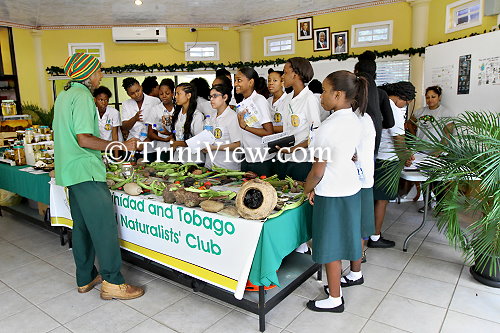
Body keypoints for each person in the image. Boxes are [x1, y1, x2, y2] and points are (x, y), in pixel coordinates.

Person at [53, 53, 144, 300]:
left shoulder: (64, 95)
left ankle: (85, 277)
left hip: (69, 171)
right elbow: (84, 139)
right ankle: (113, 283)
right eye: (98, 70)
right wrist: (121, 146)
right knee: (104, 228)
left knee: (81, 228)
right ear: (88, 73)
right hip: (86, 171)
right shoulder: (83, 96)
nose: (101, 75)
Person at [303, 70, 367, 313]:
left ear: (338, 95)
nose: (321, 96)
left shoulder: (327, 127)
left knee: (329, 245)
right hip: (350, 187)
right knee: (345, 238)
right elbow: (351, 155)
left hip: (331, 192)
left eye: (325, 91)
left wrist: (306, 189)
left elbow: (317, 171)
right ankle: (338, 283)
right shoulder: (355, 119)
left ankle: (335, 299)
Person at [370, 81, 416, 248]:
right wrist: (407, 157)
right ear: (402, 98)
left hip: (374, 158)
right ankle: (375, 237)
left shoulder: (378, 103)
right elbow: (398, 141)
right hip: (387, 161)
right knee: (382, 201)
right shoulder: (394, 110)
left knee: (372, 199)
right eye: (406, 103)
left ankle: (367, 232)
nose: (405, 106)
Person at [276, 57, 321, 181]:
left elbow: (315, 134)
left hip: (302, 160)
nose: (282, 77)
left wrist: (293, 149)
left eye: (285, 73)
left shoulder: (309, 99)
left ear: (295, 74)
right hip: (286, 158)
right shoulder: (287, 98)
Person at [411, 85, 454, 213]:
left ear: (439, 97)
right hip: (421, 151)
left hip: (437, 152)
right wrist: (414, 137)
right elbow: (409, 124)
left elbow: (448, 134)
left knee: (437, 181)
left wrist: (439, 151)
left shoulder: (445, 112)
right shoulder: (420, 111)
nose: (430, 100)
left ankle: (441, 206)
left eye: (433, 97)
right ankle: (427, 204)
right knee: (424, 180)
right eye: (427, 97)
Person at [234, 67, 275, 176]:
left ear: (251, 82)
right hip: (248, 157)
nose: (235, 84)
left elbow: (268, 131)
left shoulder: (259, 100)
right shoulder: (243, 103)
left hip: (261, 159)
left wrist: (245, 127)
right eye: (235, 80)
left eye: (239, 80)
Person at [354, 51, 395, 155]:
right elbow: (390, 122)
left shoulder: (351, 91)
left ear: (356, 71)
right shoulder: (381, 93)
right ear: (375, 75)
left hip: (353, 144)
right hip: (374, 142)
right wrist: (375, 124)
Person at [204, 84, 242, 170]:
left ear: (225, 97)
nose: (211, 100)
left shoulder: (232, 117)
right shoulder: (211, 117)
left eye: (215, 96)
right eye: (210, 97)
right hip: (210, 166)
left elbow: (237, 145)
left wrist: (214, 148)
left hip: (227, 168)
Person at [121, 77, 160, 158]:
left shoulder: (155, 101)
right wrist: (134, 119)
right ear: (128, 94)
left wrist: (145, 142)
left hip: (150, 146)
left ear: (141, 87)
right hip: (132, 145)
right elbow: (125, 127)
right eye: (132, 93)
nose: (136, 95)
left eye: (138, 90)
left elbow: (159, 126)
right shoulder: (126, 104)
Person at [170, 82, 205, 164]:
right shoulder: (177, 113)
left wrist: (177, 143)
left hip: (193, 160)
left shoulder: (197, 115)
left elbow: (198, 141)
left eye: (178, 94)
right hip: (178, 158)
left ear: (188, 95)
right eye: (175, 94)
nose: (175, 97)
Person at [147, 78, 176, 162]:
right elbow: (150, 133)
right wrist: (164, 139)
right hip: (162, 148)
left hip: (179, 148)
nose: (164, 96)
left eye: (167, 93)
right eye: (161, 94)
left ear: (173, 93)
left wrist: (172, 135)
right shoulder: (155, 109)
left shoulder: (179, 108)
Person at [267, 69, 286, 133]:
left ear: (282, 82)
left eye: (275, 80)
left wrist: (267, 128)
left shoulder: (288, 100)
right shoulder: (267, 101)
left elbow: (289, 127)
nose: (271, 83)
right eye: (269, 81)